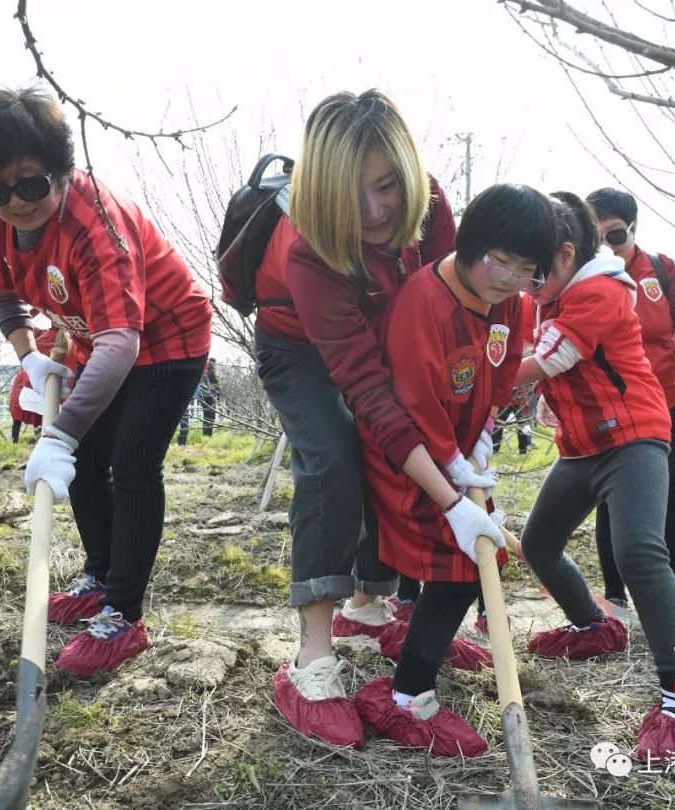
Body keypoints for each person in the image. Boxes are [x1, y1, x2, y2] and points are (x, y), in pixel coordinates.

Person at [0, 87, 212, 677]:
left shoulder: (97, 224)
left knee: (131, 463)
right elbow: (1, 292)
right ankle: (97, 576)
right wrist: (27, 357)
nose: (15, 202)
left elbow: (124, 341)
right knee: (89, 459)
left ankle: (123, 614)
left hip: (167, 341)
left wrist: (57, 435)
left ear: (59, 170)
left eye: (31, 184)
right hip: (100, 341)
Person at [252, 89, 466, 748]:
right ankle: (313, 657)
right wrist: (445, 493)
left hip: (393, 328)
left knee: (396, 454)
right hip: (300, 346)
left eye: (386, 187)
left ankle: (370, 606)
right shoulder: (308, 250)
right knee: (337, 462)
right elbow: (367, 391)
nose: (375, 211)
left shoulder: (429, 209)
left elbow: (456, 311)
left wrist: (465, 432)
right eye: (353, 193)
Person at [514, 192, 675, 762]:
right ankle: (595, 625)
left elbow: (546, 359)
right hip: (582, 446)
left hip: (634, 436)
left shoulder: (601, 289)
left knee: (639, 553)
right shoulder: (543, 297)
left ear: (565, 255)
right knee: (538, 544)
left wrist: (463, 386)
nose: (522, 281)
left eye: (530, 268)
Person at [354, 184, 545, 753]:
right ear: (469, 244)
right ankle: (404, 698)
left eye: (526, 269)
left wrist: (483, 436)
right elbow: (413, 403)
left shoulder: (510, 302)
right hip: (409, 456)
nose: (509, 279)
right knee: (457, 564)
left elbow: (502, 370)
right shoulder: (423, 303)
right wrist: (453, 470)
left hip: (460, 448)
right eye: (499, 261)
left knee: (475, 558)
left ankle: (422, 649)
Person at [587, 188, 675, 620]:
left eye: (617, 235)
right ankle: (615, 596)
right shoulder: (585, 280)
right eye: (598, 238)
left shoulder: (661, 271)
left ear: (633, 230)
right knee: (612, 497)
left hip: (668, 399)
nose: (609, 246)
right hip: (613, 406)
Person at [198, 357, 220, 438]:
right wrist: (218, 396)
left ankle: (206, 434)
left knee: (206, 415)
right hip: (210, 396)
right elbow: (215, 384)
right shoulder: (211, 370)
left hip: (202, 395)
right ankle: (208, 435)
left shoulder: (203, 369)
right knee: (211, 416)